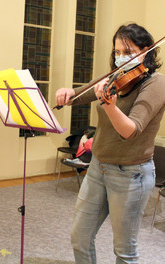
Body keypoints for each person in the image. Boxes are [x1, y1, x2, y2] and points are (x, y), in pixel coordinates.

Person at [55, 23, 165, 264]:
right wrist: (68, 93)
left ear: (145, 51)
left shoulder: (156, 84)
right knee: (80, 238)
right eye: (117, 52)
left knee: (124, 251)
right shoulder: (117, 76)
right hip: (98, 168)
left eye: (127, 51)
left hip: (131, 174)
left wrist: (111, 107)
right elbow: (83, 93)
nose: (120, 57)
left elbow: (132, 130)